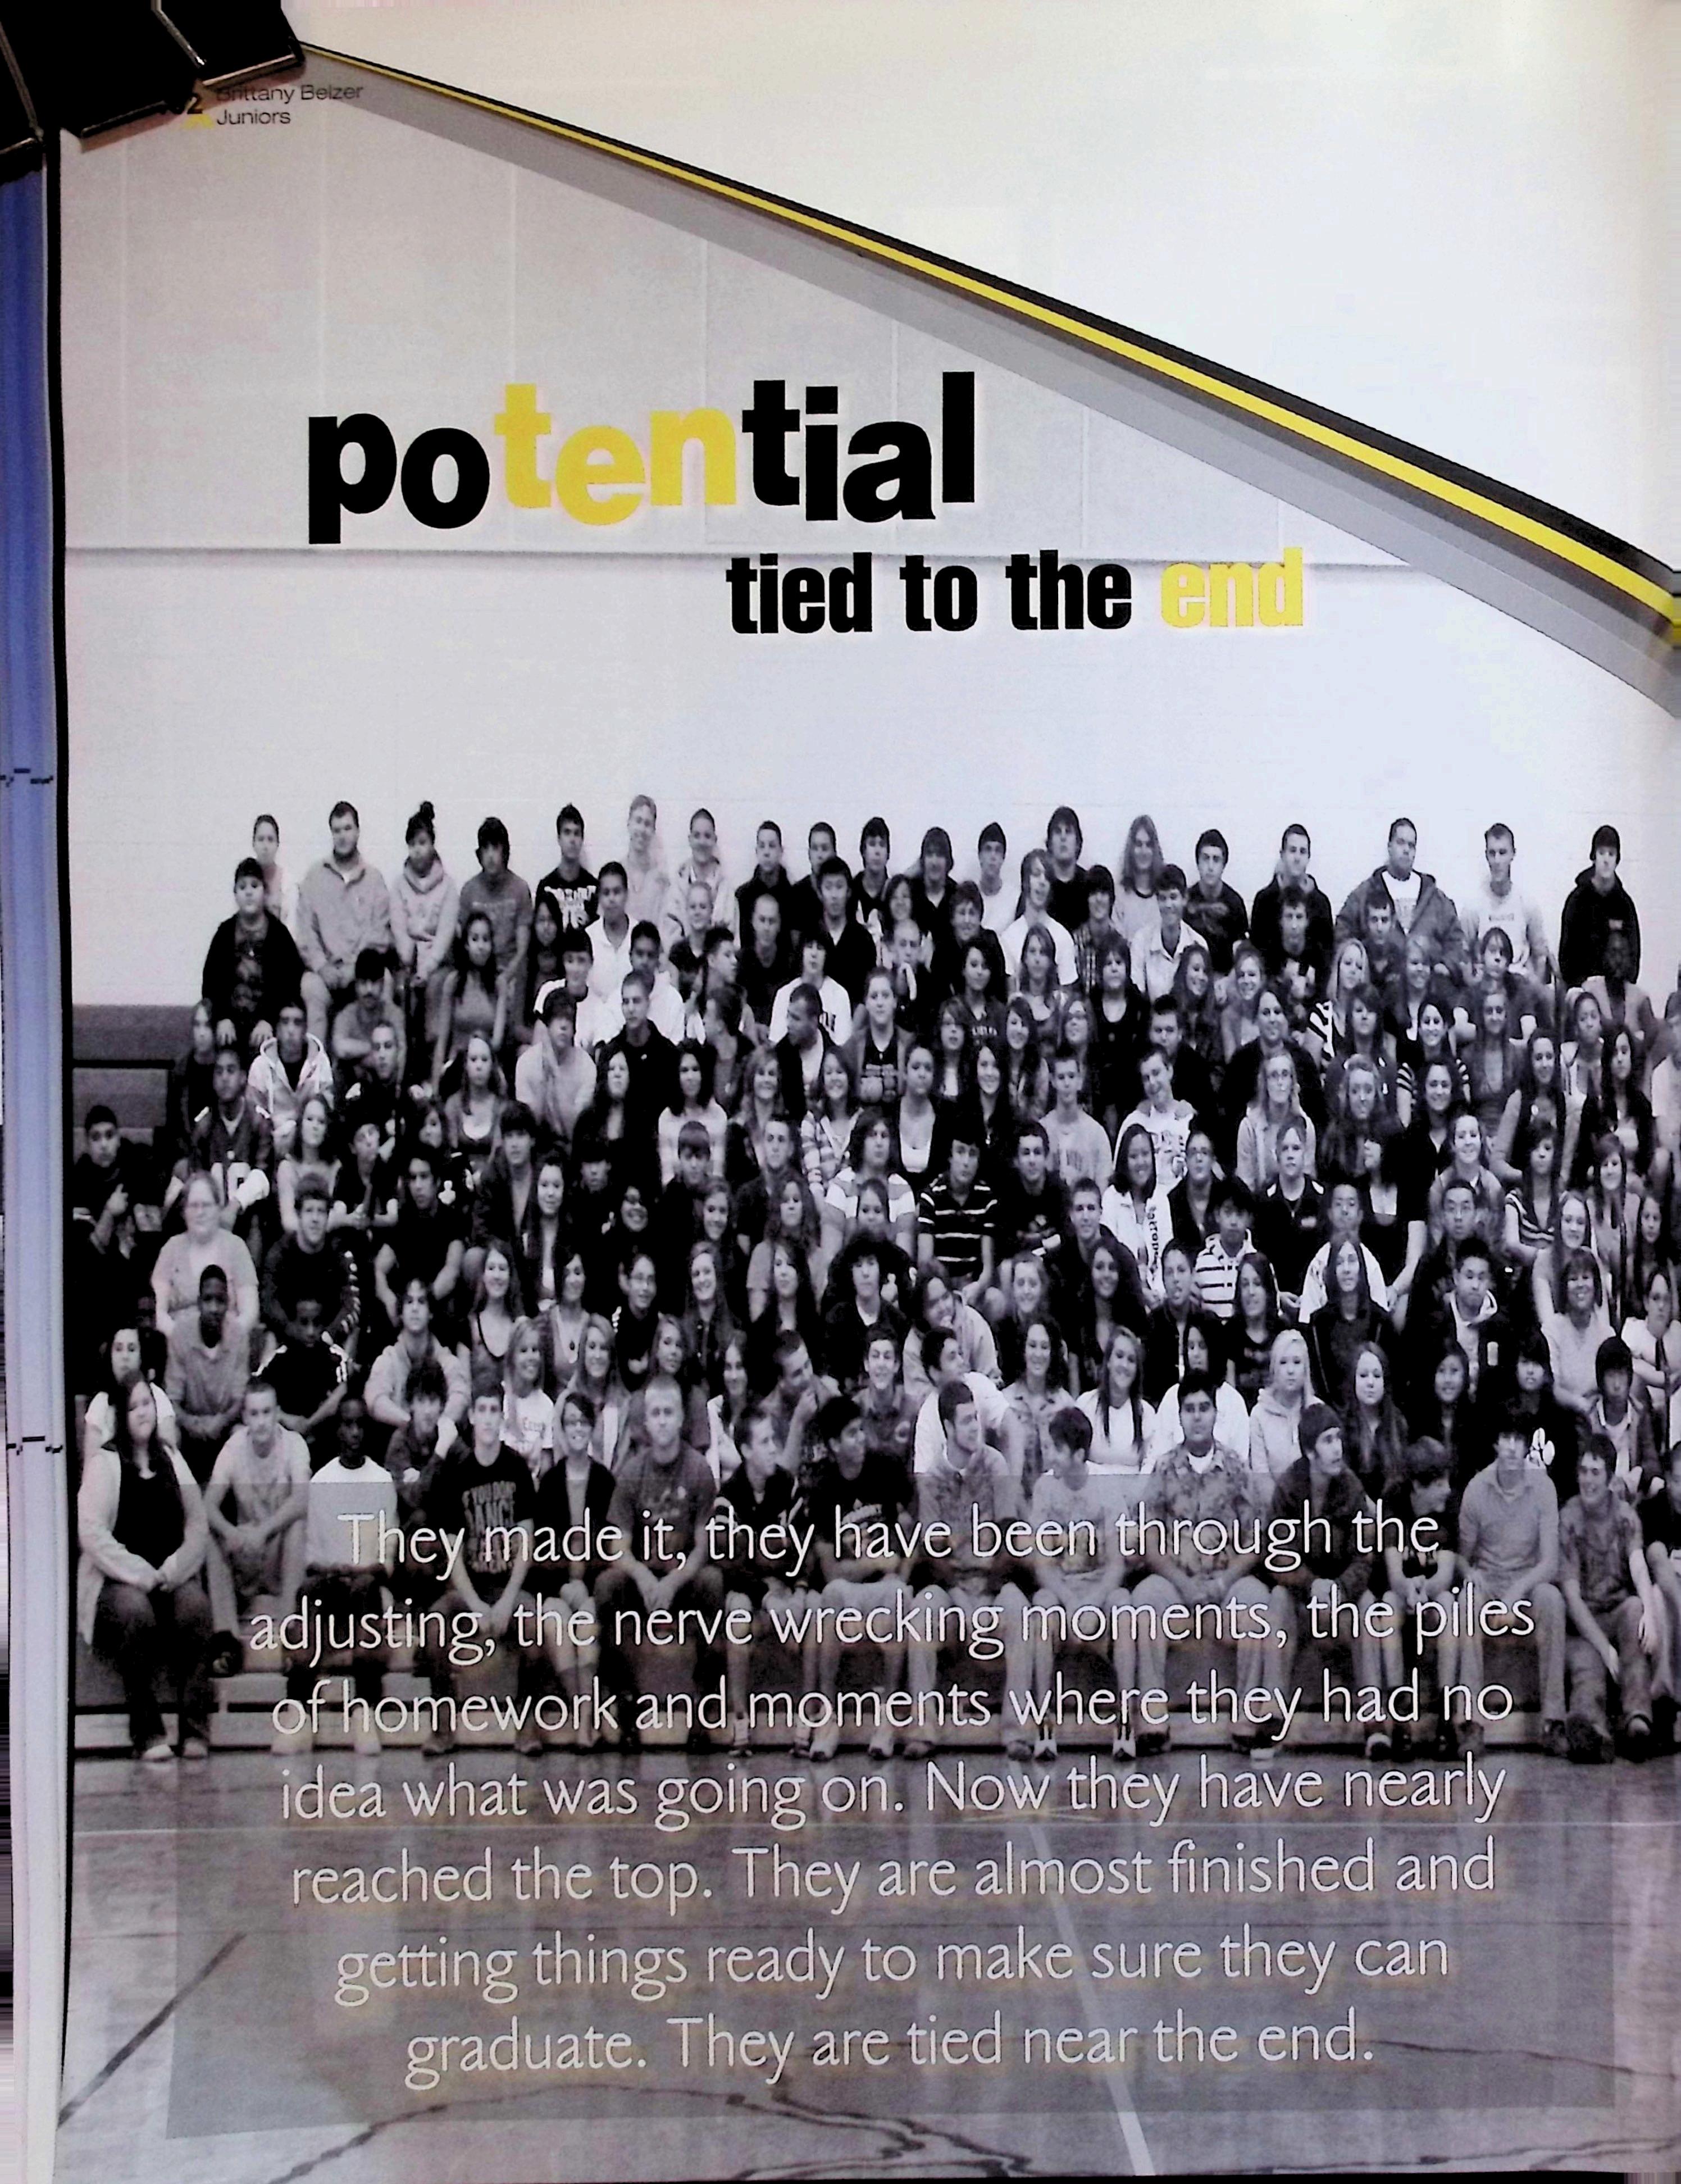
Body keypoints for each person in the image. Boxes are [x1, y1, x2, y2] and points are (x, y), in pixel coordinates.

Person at [1132, 1371, 1279, 1755]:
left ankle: (1247, 1719)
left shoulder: (1236, 1468)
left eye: (1204, 1408)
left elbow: (1255, 1540)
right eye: (1190, 1409)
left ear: (1215, 1414)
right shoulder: (1163, 1468)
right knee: (1145, 1599)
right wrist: (1181, 1583)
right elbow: (1149, 1540)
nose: (1197, 1417)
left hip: (1225, 1582)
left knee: (1256, 1600)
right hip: (1176, 1584)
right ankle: (1152, 1721)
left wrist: (1224, 1581)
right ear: (1180, 1417)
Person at [77, 1375, 212, 1761]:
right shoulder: (105, 1462)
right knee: (134, 1611)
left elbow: (198, 1525)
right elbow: (92, 1534)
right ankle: (148, 1733)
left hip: (168, 1578)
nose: (143, 1413)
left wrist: (173, 1569)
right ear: (121, 1415)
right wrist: (139, 1573)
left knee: (196, 1608)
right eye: (134, 1406)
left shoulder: (173, 1458)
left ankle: (195, 1732)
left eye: (147, 1404)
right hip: (118, 1583)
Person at [903, 1379, 1032, 1758]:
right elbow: (933, 1554)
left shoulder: (995, 1465)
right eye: (965, 1421)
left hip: (992, 1582)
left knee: (1019, 1610)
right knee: (923, 1609)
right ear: (947, 1428)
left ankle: (1016, 1732)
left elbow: (1009, 1542)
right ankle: (922, 1730)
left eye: (976, 1418)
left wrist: (987, 1593)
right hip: (952, 1588)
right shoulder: (932, 1478)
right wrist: (961, 1601)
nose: (975, 1427)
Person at [595, 1373, 723, 1753]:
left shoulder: (699, 1470)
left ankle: (703, 1708)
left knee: (713, 1583)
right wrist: (641, 1576)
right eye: (656, 1413)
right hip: (645, 1581)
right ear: (646, 1422)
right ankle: (626, 1702)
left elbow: (703, 1548)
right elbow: (617, 1545)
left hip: (682, 1580)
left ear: (681, 1418)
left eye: (669, 1413)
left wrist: (673, 1582)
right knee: (606, 1587)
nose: (663, 1421)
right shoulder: (632, 1473)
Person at [418, 1375, 541, 1758]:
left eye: (494, 1411)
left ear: (502, 1417)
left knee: (535, 1626)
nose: (488, 1418)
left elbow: (526, 1544)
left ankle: (526, 1723)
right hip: (468, 1589)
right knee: (435, 1625)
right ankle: (442, 1726)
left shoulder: (517, 1468)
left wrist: (505, 1603)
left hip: (507, 1587)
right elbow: (453, 1552)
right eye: (482, 1410)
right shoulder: (457, 1473)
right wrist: (474, 1604)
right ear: (471, 1416)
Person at [272, 1393, 394, 1757]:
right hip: (330, 1585)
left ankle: (364, 1712)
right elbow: (313, 1558)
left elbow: (386, 1559)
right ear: (337, 1430)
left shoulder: (382, 1480)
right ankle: (300, 1716)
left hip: (367, 1587)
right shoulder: (322, 1481)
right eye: (347, 1424)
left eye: (360, 1425)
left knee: (365, 1590)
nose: (354, 1433)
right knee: (307, 1593)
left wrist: (360, 1571)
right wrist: (335, 1572)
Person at [1267, 1404, 1387, 1755]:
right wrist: (1311, 1585)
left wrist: (1339, 1589)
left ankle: (1374, 1723)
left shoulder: (1352, 1488)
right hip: (1302, 1595)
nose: (1337, 1448)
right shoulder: (1289, 1487)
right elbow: (1277, 1553)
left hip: (1344, 1595)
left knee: (1369, 1606)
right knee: (1277, 1600)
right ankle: (1273, 1715)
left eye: (1338, 1439)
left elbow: (1365, 1556)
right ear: (1310, 1450)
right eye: (1328, 1441)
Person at [799, 1393, 912, 1761]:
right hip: (849, 1589)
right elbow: (831, 1570)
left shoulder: (886, 1467)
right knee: (830, 1595)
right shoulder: (823, 1488)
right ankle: (828, 1719)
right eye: (851, 1434)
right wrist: (875, 1562)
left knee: (899, 1594)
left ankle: (887, 1719)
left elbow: (914, 1527)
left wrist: (901, 1570)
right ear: (834, 1445)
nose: (861, 1439)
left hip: (885, 1588)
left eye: (861, 1430)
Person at [1455, 1408, 1569, 1758]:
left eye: (1518, 1440)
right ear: (1496, 1444)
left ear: (1526, 1446)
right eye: (1505, 1439)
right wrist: (1470, 1574)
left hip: (1529, 1582)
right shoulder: (1476, 1489)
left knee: (1552, 1599)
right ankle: (1471, 1723)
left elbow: (1550, 1562)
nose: (1510, 1448)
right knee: (1466, 1600)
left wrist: (1518, 1591)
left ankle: (1553, 1721)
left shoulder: (1544, 1488)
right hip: (1489, 1579)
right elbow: (1462, 1557)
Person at [709, 1403, 808, 1752]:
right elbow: (729, 1563)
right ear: (746, 1450)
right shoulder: (728, 1496)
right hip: (750, 1591)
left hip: (787, 1586)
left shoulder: (789, 1485)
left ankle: (806, 1720)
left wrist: (797, 1590)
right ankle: (740, 1721)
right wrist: (765, 1596)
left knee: (810, 1611)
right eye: (765, 1442)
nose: (774, 1449)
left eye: (774, 1441)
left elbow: (803, 1549)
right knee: (737, 1613)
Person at [1559, 1435, 1662, 1761]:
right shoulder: (1569, 1518)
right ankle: (1591, 1732)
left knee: (1634, 1610)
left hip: (1617, 1610)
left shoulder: (1625, 1516)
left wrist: (1649, 1613)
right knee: (1587, 1671)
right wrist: (1605, 1649)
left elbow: (1638, 1566)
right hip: (1583, 1622)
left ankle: (1638, 1722)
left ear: (1609, 1478)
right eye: (1583, 1472)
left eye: (1595, 1473)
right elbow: (1571, 1596)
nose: (1587, 1480)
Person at [202, 1377, 311, 1675]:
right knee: (211, 1537)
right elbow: (208, 1504)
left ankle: (289, 1637)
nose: (261, 1422)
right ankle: (227, 1641)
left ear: (276, 1413)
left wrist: (264, 1532)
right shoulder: (234, 1447)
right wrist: (231, 1532)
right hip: (246, 1553)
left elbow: (301, 1500)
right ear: (245, 1417)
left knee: (297, 1526)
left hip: (279, 1552)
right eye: (254, 1414)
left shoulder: (294, 1444)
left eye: (266, 1412)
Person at [296, 801, 393, 1045]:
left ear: (358, 832)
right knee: (310, 987)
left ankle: (382, 1059)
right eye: (337, 830)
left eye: (348, 829)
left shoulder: (374, 879)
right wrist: (321, 966)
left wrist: (356, 968)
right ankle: (316, 1065)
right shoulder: (314, 877)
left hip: (361, 970)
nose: (342, 836)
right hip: (325, 972)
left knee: (386, 981)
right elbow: (306, 931)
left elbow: (379, 932)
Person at [1335, 817, 1464, 988]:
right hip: (1379, 989)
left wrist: (1447, 965)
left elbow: (1456, 938)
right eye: (1401, 843)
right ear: (1390, 847)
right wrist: (1361, 966)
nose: (1406, 850)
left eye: (1412, 845)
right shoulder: (1366, 892)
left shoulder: (1434, 896)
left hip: (1428, 989)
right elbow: (1343, 932)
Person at [202, 856, 306, 1057]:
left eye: (255, 886)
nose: (249, 892)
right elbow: (211, 982)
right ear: (235, 895)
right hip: (231, 1026)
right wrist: (222, 1018)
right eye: (242, 887)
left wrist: (269, 1020)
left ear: (265, 892)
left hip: (269, 1026)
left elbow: (291, 985)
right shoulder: (225, 933)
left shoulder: (279, 935)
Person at [152, 1171, 260, 1348]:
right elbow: (158, 1312)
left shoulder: (236, 1247)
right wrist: (181, 1340)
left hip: (227, 1348)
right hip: (179, 1348)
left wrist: (224, 1344)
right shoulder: (171, 1249)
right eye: (194, 1206)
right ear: (184, 1211)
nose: (200, 1212)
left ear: (218, 1208)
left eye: (207, 1205)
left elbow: (250, 1313)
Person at [389, 799, 460, 1064]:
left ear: (432, 844)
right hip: (407, 962)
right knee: (401, 991)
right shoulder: (399, 885)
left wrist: (427, 969)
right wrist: (409, 961)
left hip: (437, 964)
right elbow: (398, 927)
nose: (418, 850)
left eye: (423, 843)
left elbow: (445, 935)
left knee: (435, 990)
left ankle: (432, 1060)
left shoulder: (448, 887)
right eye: (413, 844)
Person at [165, 1266, 250, 1482]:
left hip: (225, 1427)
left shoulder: (238, 1336)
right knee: (169, 1433)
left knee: (242, 1434)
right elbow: (172, 1399)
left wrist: (220, 1423)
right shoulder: (181, 1334)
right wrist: (194, 1425)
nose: (214, 1308)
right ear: (198, 1302)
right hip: (188, 1429)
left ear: (228, 1304)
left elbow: (239, 1400)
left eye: (220, 1301)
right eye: (208, 1300)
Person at [366, 1277, 471, 1435]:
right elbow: (375, 1401)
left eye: (421, 1302)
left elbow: (461, 1396)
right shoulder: (388, 1358)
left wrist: (438, 1425)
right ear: (401, 1313)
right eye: (409, 1302)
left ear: (430, 1313)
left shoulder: (446, 1360)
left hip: (440, 1440)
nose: (415, 1308)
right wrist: (413, 1425)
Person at [916, 1108, 998, 1304]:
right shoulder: (931, 1197)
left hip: (971, 1287)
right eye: (960, 1152)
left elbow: (988, 1269)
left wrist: (977, 1287)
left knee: (996, 1300)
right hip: (940, 1287)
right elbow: (926, 1263)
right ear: (950, 1156)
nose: (966, 1162)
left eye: (973, 1154)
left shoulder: (987, 1199)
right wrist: (947, 1293)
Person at [1251, 825, 1335, 989]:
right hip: (1271, 987)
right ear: (1282, 855)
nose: (1297, 858)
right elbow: (1256, 953)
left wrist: (1307, 978)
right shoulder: (1264, 901)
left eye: (1303, 852)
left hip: (1312, 990)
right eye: (1292, 850)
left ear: (1309, 857)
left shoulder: (1321, 903)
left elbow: (1327, 956)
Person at [1559, 823, 1641, 989]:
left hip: (1617, 988)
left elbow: (1634, 955)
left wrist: (1622, 986)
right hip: (1582, 986)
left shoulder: (1625, 905)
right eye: (1601, 853)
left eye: (1611, 854)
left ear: (1617, 860)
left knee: (1641, 999)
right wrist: (1582, 983)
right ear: (1594, 857)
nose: (1606, 860)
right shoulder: (1577, 901)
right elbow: (1566, 956)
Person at [331, 945, 407, 1082]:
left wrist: (361, 1056)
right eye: (363, 983)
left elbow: (400, 1057)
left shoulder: (394, 1014)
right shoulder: (346, 1016)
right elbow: (340, 1048)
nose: (369, 990)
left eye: (374, 983)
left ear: (383, 984)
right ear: (356, 985)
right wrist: (378, 1049)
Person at [1183, 827, 1250, 980]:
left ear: (1224, 865)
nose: (1211, 867)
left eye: (1216, 859)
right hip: (1191, 979)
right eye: (1206, 858)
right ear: (1198, 863)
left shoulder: (1235, 903)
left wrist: (1227, 982)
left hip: (1226, 980)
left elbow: (1242, 956)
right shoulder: (1186, 901)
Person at [1249, 1326, 1312, 1480]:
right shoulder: (1259, 1415)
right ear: (1274, 1369)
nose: (1290, 1370)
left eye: (1297, 1362)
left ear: (1306, 1368)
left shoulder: (1318, 1410)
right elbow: (1261, 1475)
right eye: (1283, 1362)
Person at [537, 803, 598, 929]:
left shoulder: (594, 887)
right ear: (559, 838)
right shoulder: (546, 887)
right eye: (567, 833)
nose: (572, 840)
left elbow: (600, 931)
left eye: (577, 833)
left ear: (582, 840)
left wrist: (589, 923)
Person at [250, 812, 297, 934]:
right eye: (261, 839)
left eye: (270, 840)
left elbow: (292, 927)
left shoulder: (288, 883)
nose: (265, 846)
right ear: (253, 844)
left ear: (277, 845)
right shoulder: (245, 880)